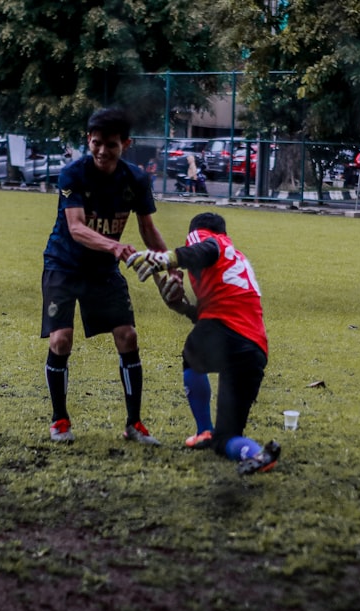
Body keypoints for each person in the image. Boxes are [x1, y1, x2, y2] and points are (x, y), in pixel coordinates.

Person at [41, 108, 174, 445]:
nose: (102, 151)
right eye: (96, 143)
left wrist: (171, 265)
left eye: (111, 145)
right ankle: (59, 421)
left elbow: (148, 229)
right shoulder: (72, 175)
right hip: (63, 265)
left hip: (103, 271)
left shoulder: (136, 179)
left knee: (128, 337)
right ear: (89, 140)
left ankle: (134, 424)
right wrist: (114, 247)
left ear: (125, 144)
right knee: (61, 341)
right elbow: (76, 228)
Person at [127, 212, 280, 474]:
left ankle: (203, 431)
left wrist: (166, 259)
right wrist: (183, 308)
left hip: (227, 332)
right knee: (226, 440)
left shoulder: (209, 240)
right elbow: (213, 310)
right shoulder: (234, 260)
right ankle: (257, 454)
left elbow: (205, 248)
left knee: (192, 354)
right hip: (254, 351)